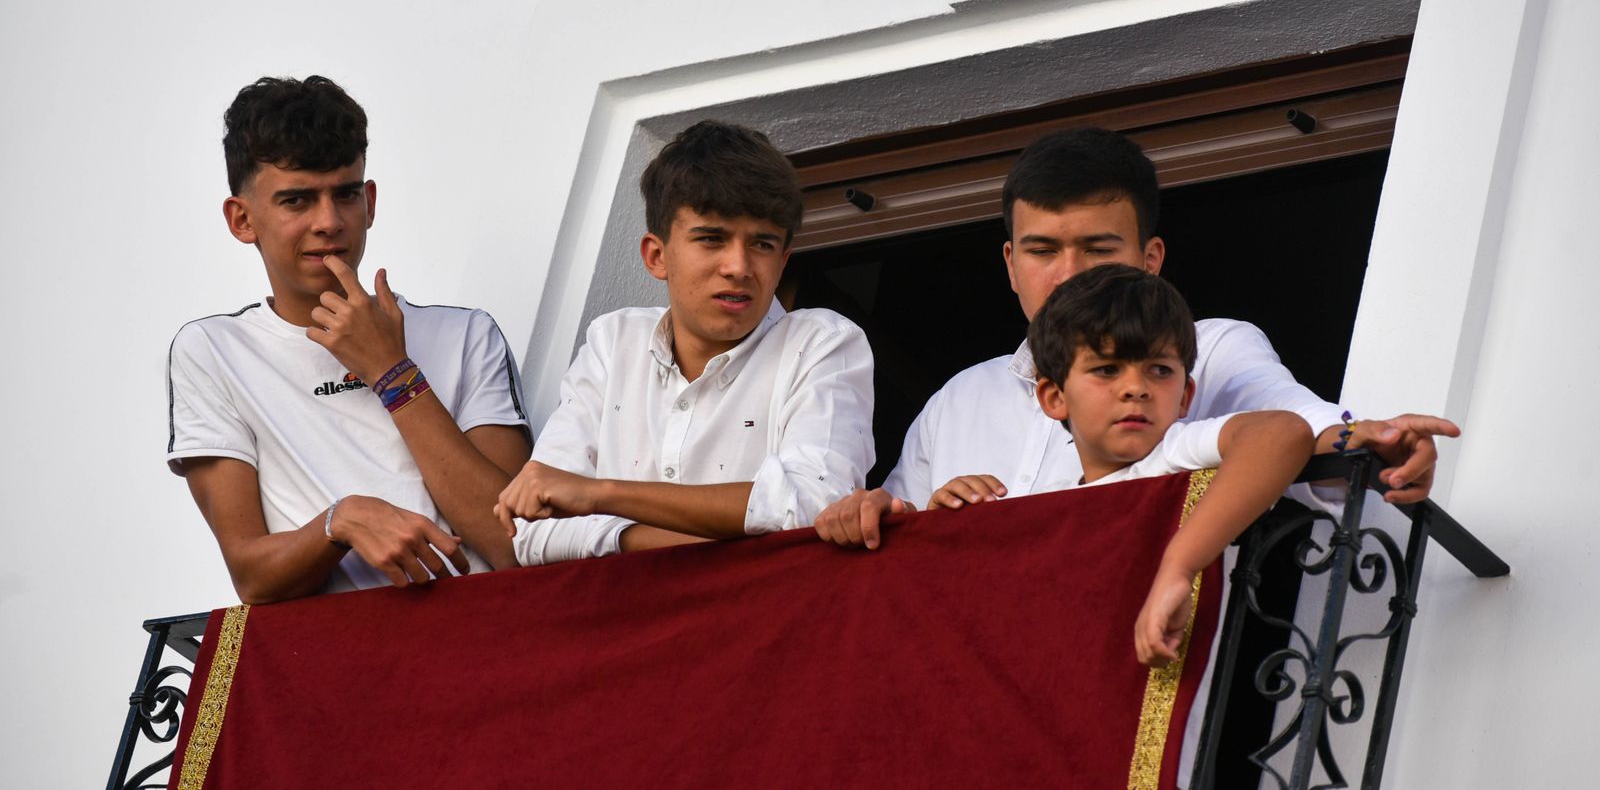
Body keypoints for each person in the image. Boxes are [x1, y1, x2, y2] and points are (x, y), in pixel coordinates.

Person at [814, 126, 1459, 549]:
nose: (1068, 275)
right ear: (1009, 264)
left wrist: (1372, 442)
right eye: (1043, 251)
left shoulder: (1210, 349)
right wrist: (887, 515)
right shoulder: (959, 399)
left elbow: (1301, 424)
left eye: (1099, 248)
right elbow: (894, 532)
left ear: (1151, 258)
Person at [166, 76, 532, 602]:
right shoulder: (213, 351)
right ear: (242, 219)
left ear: (371, 201)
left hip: (477, 640)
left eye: (345, 194)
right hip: (335, 658)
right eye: (297, 201)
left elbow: (516, 545)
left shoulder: (467, 333)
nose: (329, 221)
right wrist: (342, 520)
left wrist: (392, 373)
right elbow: (251, 576)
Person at [495, 120, 873, 565]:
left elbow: (812, 505)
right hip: (621, 628)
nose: (738, 266)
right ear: (657, 256)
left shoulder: (822, 343)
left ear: (783, 260)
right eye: (712, 238)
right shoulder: (612, 342)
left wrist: (599, 494)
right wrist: (710, 544)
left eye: (763, 244)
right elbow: (532, 534)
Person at [997, 264, 1315, 664]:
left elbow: (1282, 432)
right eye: (1107, 369)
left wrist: (1179, 565)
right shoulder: (1052, 505)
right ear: (1054, 397)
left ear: (1185, 396)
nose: (1136, 388)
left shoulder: (1170, 455)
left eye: (1160, 370)